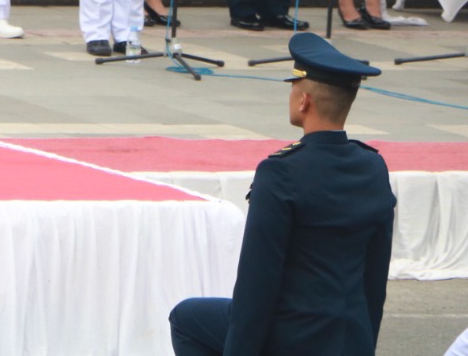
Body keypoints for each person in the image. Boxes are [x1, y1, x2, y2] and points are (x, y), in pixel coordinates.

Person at [168, 32, 394, 356]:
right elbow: (375, 274)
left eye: (293, 86)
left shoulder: (281, 172)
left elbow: (257, 283)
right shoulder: (373, 166)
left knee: (185, 319)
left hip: (293, 337)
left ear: (304, 101)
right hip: (349, 334)